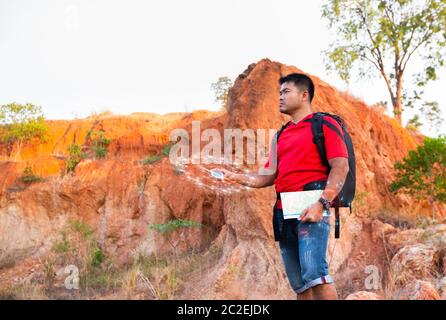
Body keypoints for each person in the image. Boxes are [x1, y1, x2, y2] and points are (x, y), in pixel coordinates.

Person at [213, 73, 349, 300]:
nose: (280, 97)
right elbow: (266, 176)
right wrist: (234, 176)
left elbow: (341, 166)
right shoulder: (281, 135)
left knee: (314, 271)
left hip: (312, 203)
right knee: (299, 283)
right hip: (284, 209)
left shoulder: (324, 124)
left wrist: (321, 204)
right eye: (279, 93)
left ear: (304, 95)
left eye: (286, 92)